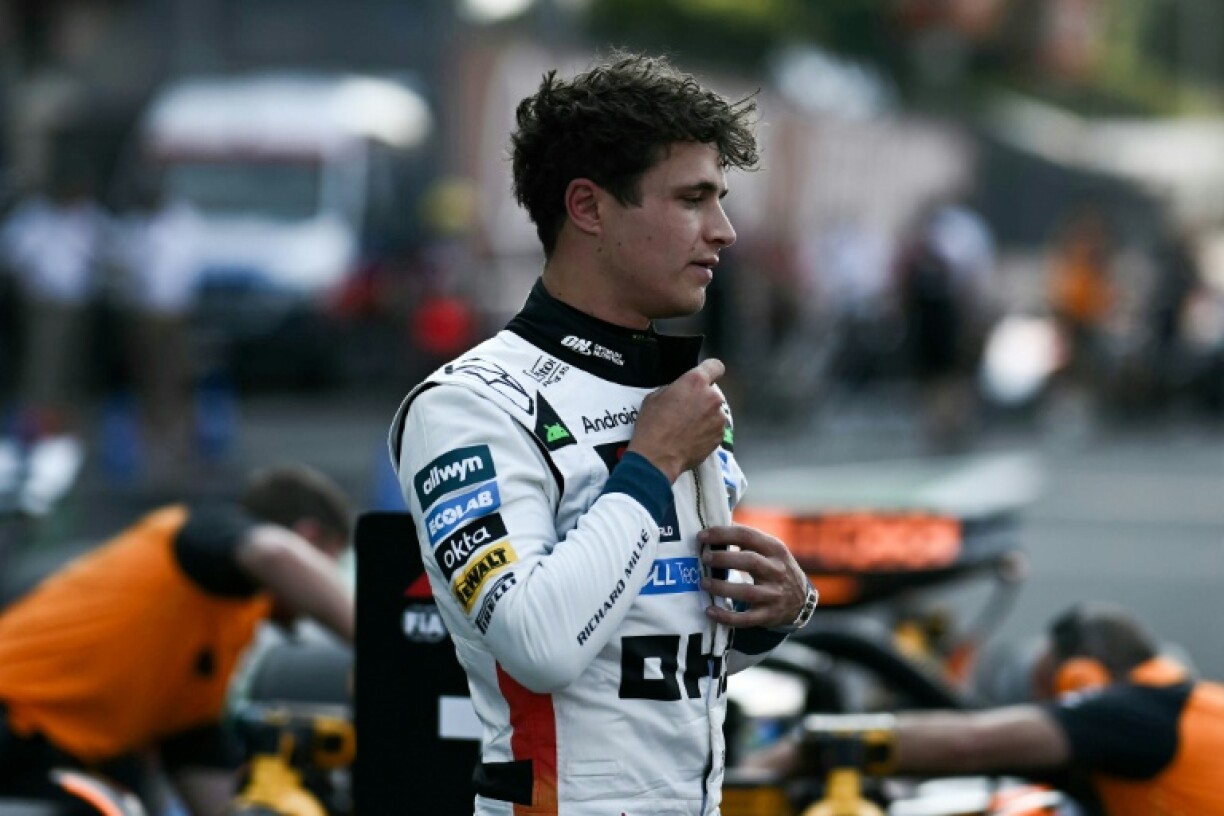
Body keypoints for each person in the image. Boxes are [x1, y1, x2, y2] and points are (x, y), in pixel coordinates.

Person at [387, 51, 817, 815]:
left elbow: (649, 659)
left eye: (720, 199)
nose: (723, 231)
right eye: (692, 199)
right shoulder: (470, 404)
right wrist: (649, 465)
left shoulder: (672, 394)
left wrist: (777, 616)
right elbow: (538, 646)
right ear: (588, 208)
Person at [0, 463, 356, 815]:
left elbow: (195, 756)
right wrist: (374, 637)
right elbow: (274, 553)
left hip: (60, 755)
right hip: (13, 716)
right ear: (307, 538)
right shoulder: (199, 531)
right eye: (330, 561)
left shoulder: (220, 628)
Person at [741, 602, 1224, 815]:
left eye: (1050, 696)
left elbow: (971, 742)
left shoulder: (1130, 713)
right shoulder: (1197, 710)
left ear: (1083, 681)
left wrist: (814, 744)